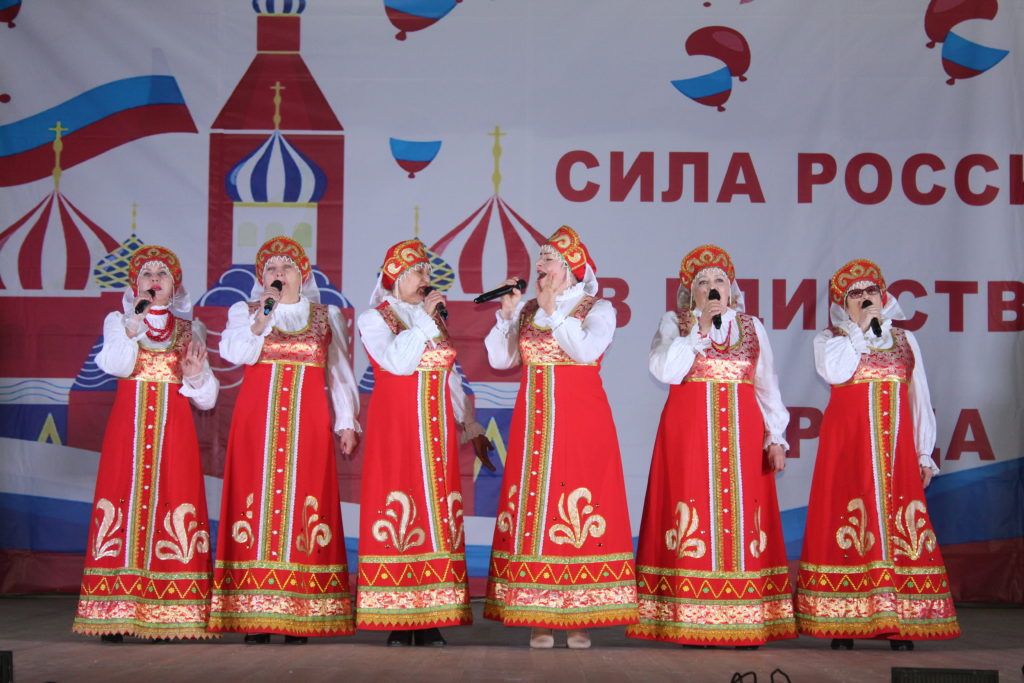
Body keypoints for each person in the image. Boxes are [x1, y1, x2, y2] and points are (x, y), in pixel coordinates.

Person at [625, 244, 796, 648]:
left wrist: (776, 436)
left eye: (720, 280)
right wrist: (698, 331)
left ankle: (745, 619)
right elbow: (665, 370)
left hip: (743, 436)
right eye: (703, 282)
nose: (713, 287)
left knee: (744, 515)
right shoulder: (676, 323)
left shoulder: (752, 327)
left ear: (732, 289)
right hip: (689, 437)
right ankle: (691, 617)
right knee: (692, 510)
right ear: (691, 292)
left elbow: (767, 384)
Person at [483, 225, 638, 649]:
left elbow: (585, 351)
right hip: (535, 421)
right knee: (538, 505)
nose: (540, 264)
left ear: (571, 267)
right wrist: (507, 315)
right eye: (540, 258)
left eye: (549, 259)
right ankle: (540, 616)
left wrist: (552, 313)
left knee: (579, 506)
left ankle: (579, 618)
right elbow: (500, 360)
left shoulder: (597, 308)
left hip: (582, 421)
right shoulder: (528, 309)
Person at [795, 259, 959, 650]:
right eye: (856, 294)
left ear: (883, 297)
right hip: (848, 451)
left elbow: (919, 397)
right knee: (851, 524)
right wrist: (859, 331)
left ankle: (898, 622)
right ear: (844, 304)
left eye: (871, 291)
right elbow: (836, 373)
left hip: (895, 452)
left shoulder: (904, 339)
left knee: (898, 528)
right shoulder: (831, 339)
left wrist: (924, 453)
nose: (866, 298)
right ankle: (844, 622)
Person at [209, 236, 360, 643]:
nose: (279, 274)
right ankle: (254, 615)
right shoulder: (245, 311)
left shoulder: (326, 316)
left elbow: (339, 371)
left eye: (287, 267)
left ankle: (302, 612)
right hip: (256, 424)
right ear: (262, 278)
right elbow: (235, 353)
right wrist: (261, 320)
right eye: (271, 269)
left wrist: (346, 421)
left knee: (304, 504)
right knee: (255, 504)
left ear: (302, 274)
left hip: (307, 423)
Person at [72, 245, 218, 641]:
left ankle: (167, 612)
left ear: (175, 285)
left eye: (162, 274)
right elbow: (117, 365)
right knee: (122, 498)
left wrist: (195, 375)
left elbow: (207, 399)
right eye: (147, 275)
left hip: (174, 431)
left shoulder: (190, 330)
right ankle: (114, 612)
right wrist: (132, 327)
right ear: (135, 285)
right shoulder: (118, 321)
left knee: (173, 499)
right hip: (128, 429)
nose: (155, 280)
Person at [356, 239, 496, 647]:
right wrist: (423, 322)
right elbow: (397, 363)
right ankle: (399, 618)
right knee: (400, 510)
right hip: (397, 430)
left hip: (435, 434)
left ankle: (432, 615)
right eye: (418, 272)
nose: (425, 279)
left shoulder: (431, 320)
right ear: (396, 278)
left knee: (435, 514)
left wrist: (469, 424)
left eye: (427, 273)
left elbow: (448, 376)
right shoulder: (375, 318)